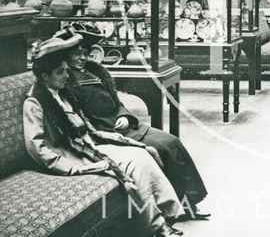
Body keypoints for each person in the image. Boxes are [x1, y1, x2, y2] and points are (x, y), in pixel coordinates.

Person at [23, 29, 184, 237]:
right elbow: (37, 148)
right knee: (131, 165)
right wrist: (71, 169)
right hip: (71, 156)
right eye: (60, 72)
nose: (66, 76)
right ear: (45, 75)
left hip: (87, 146)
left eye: (65, 70)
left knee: (142, 155)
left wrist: (115, 139)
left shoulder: (62, 92)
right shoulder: (34, 103)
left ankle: (166, 215)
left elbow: (86, 127)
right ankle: (157, 227)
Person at [66, 22, 209, 221]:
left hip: (125, 125)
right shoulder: (66, 79)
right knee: (160, 147)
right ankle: (172, 208)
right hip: (106, 133)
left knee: (172, 141)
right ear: (65, 55)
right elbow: (78, 119)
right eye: (76, 54)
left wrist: (124, 116)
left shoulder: (96, 71)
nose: (82, 58)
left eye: (85, 53)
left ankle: (189, 202)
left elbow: (117, 102)